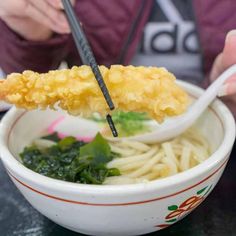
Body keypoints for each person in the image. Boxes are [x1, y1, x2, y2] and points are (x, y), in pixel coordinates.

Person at [0, 0, 236, 113]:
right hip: (90, 123)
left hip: (216, 121)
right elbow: (34, 74)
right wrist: (27, 24)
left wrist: (220, 81)